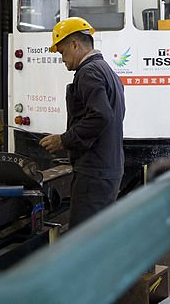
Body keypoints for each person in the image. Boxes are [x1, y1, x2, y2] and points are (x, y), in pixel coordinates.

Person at [40, 17, 125, 228]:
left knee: (85, 236)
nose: (62, 59)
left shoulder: (88, 72)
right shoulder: (106, 70)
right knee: (100, 232)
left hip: (94, 171)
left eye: (61, 52)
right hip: (107, 165)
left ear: (75, 44)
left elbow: (101, 115)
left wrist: (64, 140)